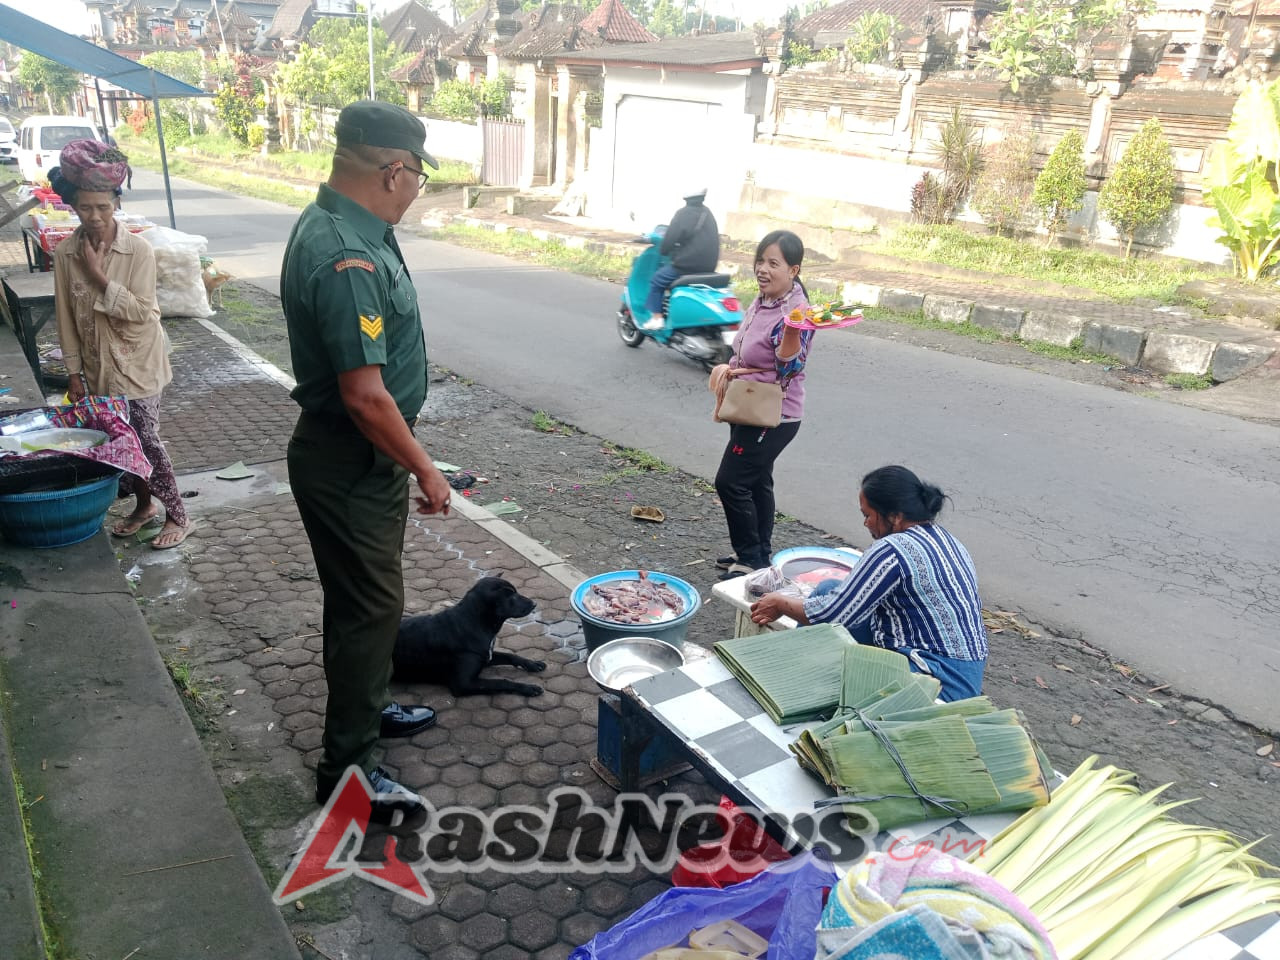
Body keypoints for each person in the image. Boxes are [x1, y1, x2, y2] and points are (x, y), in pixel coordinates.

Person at [280, 100, 450, 816]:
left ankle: (368, 708)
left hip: (359, 460)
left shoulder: (346, 227)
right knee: (368, 610)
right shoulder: (347, 255)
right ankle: (347, 773)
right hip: (353, 460)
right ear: (394, 170)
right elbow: (365, 397)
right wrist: (426, 467)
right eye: (416, 179)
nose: (416, 191)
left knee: (365, 609)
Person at [50, 142, 194, 550]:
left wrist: (99, 278)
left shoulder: (139, 251)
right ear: (73, 206)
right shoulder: (65, 253)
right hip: (97, 367)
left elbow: (143, 312)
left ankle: (179, 514)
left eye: (103, 207)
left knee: (146, 439)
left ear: (116, 203)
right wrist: (74, 375)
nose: (94, 217)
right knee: (118, 440)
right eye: (85, 208)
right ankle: (144, 506)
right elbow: (66, 318)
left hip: (138, 363)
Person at [749, 466, 989, 701]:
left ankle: (791, 687)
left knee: (826, 633)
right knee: (826, 589)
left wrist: (780, 603)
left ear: (895, 516)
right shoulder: (947, 540)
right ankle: (796, 673)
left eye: (868, 515)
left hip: (935, 682)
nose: (866, 524)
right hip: (967, 677)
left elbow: (831, 616)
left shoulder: (892, 549)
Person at [710, 230, 814, 579]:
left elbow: (790, 366)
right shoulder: (763, 300)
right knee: (756, 481)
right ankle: (757, 553)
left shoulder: (798, 313)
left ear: (794, 270)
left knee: (730, 481)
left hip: (774, 414)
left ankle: (751, 558)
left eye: (774, 263)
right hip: (748, 403)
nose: (763, 269)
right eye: (760, 261)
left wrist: (790, 332)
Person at [641, 187, 721, 330]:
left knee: (657, 280)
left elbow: (670, 239)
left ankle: (657, 318)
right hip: (709, 266)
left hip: (687, 266)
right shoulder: (707, 213)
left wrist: (664, 250)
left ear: (686, 198)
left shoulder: (683, 213)